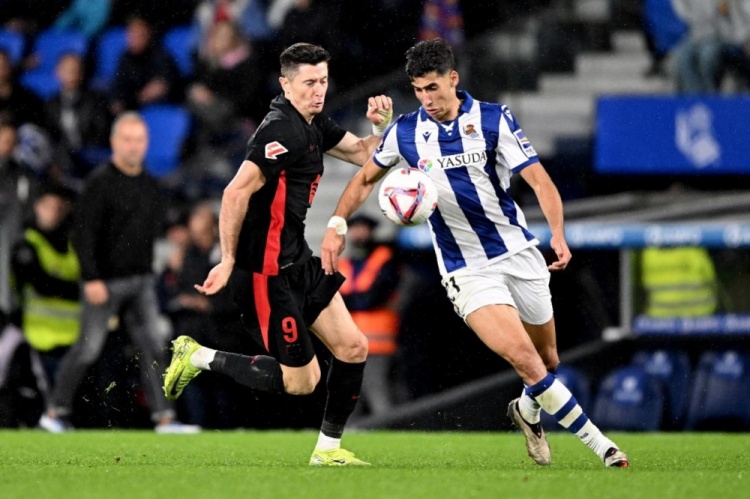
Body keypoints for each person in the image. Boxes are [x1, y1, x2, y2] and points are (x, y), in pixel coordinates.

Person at [320, 38, 629, 468]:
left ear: (453, 78)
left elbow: (540, 181)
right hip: (466, 270)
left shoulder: (493, 119)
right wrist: (336, 224)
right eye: (419, 90)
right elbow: (364, 180)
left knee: (547, 361)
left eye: (433, 88)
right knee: (526, 361)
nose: (427, 99)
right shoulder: (406, 132)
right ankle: (604, 447)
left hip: (517, 251)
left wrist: (558, 234)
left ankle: (527, 411)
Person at [162, 42, 393, 465]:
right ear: (286, 85)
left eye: (323, 81)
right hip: (264, 274)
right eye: (309, 83)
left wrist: (382, 128)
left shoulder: (313, 122)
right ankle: (198, 356)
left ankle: (328, 451)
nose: (318, 91)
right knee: (303, 381)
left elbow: (364, 153)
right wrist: (228, 260)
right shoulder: (280, 130)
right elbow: (235, 192)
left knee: (354, 347)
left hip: (297, 260)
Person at [37, 112, 196, 434]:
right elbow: (83, 234)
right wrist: (91, 278)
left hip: (141, 281)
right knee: (88, 348)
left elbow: (149, 230)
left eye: (138, 139)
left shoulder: (150, 184)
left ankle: (165, 418)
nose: (133, 146)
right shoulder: (99, 183)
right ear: (114, 142)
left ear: (146, 143)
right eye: (127, 139)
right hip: (105, 281)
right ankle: (54, 412)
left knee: (153, 348)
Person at [11, 184, 80, 386]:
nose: (54, 212)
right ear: (37, 206)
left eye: (59, 207)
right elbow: (42, 285)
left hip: (74, 341)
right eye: (48, 206)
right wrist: (82, 292)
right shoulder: (27, 244)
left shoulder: (73, 244)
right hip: (39, 340)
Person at [338, 214, 402, 416]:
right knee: (349, 392)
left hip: (377, 339)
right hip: (349, 341)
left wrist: (353, 300)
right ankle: (348, 431)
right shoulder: (345, 264)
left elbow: (373, 297)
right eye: (355, 228)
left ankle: (387, 428)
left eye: (363, 228)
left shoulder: (384, 258)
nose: (359, 233)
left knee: (376, 388)